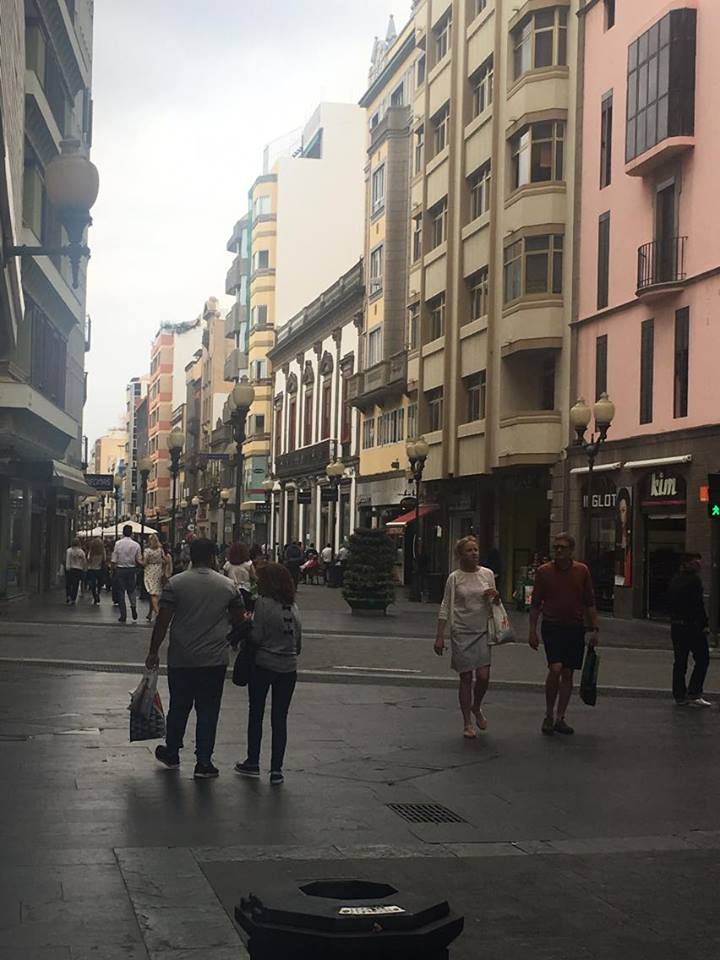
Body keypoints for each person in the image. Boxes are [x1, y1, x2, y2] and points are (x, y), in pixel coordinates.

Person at [145, 537, 245, 779]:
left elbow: (163, 620)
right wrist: (229, 639)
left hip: (182, 657)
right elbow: (240, 619)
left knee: (179, 706)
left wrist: (153, 650)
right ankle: (203, 762)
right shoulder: (227, 585)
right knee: (208, 709)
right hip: (214, 659)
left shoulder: (175, 584)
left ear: (191, 555)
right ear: (213, 557)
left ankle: (172, 751)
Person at [235, 562, 302, 785]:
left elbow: (257, 637)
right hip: (288, 667)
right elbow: (298, 644)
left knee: (256, 712)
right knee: (279, 718)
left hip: (264, 664)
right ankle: (276, 769)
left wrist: (247, 627)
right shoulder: (294, 607)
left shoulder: (263, 604)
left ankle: (253, 761)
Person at [528, 532, 598, 735]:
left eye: (562, 547)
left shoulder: (581, 571)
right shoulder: (544, 572)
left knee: (568, 672)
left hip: (574, 627)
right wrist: (532, 631)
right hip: (552, 626)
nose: (558, 550)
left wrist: (594, 628)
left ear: (571, 550)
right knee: (556, 668)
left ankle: (560, 717)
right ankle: (549, 713)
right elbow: (535, 604)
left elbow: (589, 602)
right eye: (556, 547)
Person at [435, 536, 500, 738]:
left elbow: (495, 601)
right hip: (461, 631)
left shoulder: (487, 574)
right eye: (469, 550)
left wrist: (495, 596)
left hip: (482, 630)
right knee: (466, 677)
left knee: (483, 676)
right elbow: (446, 605)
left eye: (476, 550)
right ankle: (467, 722)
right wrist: (440, 635)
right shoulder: (454, 578)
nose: (474, 553)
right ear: (460, 555)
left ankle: (476, 706)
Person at [669, 553, 712, 707]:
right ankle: (694, 692)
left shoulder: (675, 580)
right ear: (686, 564)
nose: (699, 566)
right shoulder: (694, 581)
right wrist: (704, 624)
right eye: (695, 563)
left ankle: (679, 695)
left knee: (680, 662)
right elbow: (698, 605)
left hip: (676, 626)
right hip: (692, 626)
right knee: (703, 659)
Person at [111, 525, 143, 623]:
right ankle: (133, 607)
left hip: (120, 569)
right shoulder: (136, 545)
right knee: (131, 590)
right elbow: (139, 559)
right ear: (131, 533)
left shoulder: (118, 544)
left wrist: (112, 569)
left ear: (123, 532)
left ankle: (123, 614)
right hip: (131, 569)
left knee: (120, 592)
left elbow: (114, 559)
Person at [224, 541, 256, 610]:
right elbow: (254, 578)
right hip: (246, 591)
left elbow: (225, 579)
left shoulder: (227, 565)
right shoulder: (248, 564)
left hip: (232, 591)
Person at [143, 534, 165, 623]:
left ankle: (158, 612)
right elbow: (164, 560)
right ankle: (149, 613)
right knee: (155, 592)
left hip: (150, 571)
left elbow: (145, 562)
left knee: (153, 593)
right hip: (159, 570)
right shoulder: (160, 550)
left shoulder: (147, 551)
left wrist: (138, 561)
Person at [64, 538, 86, 605]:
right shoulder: (81, 551)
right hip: (78, 569)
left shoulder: (69, 550)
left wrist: (67, 567)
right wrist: (84, 568)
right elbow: (84, 561)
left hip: (71, 569)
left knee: (68, 583)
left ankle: (68, 596)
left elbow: (67, 559)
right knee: (75, 584)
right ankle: (73, 598)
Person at [86, 537, 105, 605]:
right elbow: (104, 560)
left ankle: (95, 596)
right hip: (99, 569)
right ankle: (98, 593)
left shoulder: (91, 552)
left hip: (91, 569)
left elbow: (88, 560)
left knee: (93, 584)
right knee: (99, 583)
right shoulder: (102, 551)